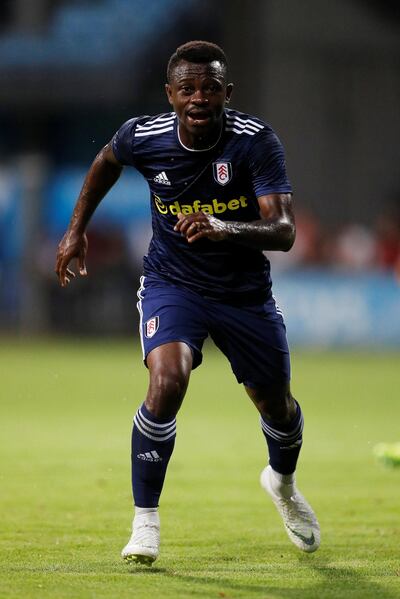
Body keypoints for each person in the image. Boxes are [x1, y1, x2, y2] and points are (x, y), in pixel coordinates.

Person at [55, 40, 320, 564]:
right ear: (170, 95)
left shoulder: (256, 142)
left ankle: (283, 485)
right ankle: (145, 523)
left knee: (278, 408)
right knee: (167, 379)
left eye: (210, 88)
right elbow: (107, 160)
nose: (199, 98)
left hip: (244, 294)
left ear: (227, 93)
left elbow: (284, 230)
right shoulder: (143, 136)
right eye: (188, 88)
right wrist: (75, 230)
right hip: (172, 284)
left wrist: (223, 227)